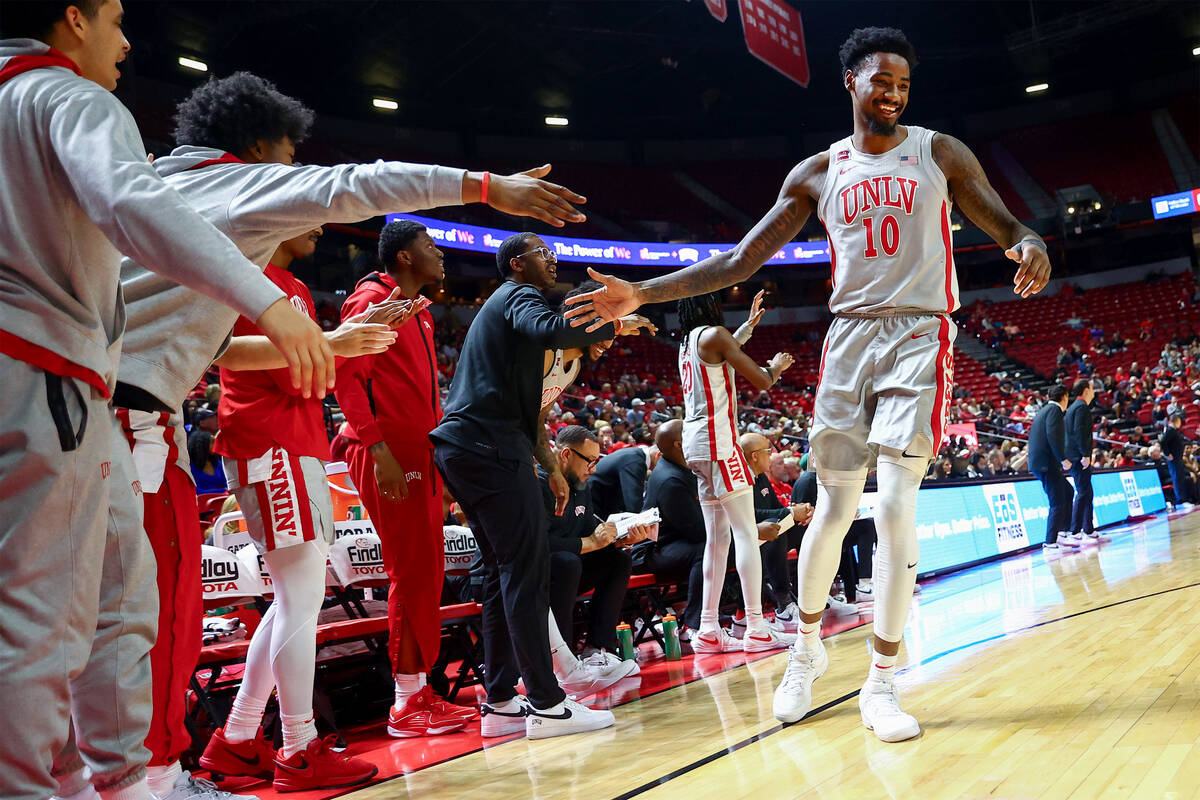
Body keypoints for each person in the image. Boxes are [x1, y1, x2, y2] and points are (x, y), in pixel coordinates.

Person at [565, 26, 1051, 742]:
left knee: (894, 507)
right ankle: (806, 648)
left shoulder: (938, 151)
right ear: (850, 82)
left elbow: (1002, 218)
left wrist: (1030, 241)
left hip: (920, 333)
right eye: (880, 80)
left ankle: (882, 683)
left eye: (904, 84)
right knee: (831, 508)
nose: (892, 93)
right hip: (848, 338)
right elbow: (738, 260)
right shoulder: (817, 173)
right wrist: (642, 295)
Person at [116, 70, 593, 795]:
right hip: (210, 433)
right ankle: (214, 761)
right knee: (186, 615)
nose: (294, 189)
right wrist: (489, 188)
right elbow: (354, 187)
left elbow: (213, 350)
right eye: (286, 156)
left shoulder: (159, 201)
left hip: (157, 422)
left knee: (215, 608)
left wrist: (330, 344)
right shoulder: (239, 205)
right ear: (257, 149)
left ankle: (235, 738)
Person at [0, 5, 333, 799]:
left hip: (82, 396)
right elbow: (134, 209)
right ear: (71, 18)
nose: (125, 41)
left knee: (108, 611)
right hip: (73, 390)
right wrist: (270, 302)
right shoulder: (66, 99)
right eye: (114, 18)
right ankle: (120, 777)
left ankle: (114, 778)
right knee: (67, 620)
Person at [429, 233, 620, 740]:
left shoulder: (508, 311)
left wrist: (552, 469)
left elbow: (533, 415)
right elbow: (549, 330)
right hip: (488, 447)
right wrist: (599, 309)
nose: (552, 258)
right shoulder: (519, 295)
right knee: (525, 573)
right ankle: (548, 702)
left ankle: (499, 701)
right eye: (542, 252)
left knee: (500, 573)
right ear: (517, 263)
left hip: (464, 447)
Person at [333, 218, 479, 740]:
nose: (440, 254)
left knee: (425, 570)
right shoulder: (371, 300)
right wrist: (376, 448)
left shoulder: (417, 312)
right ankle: (404, 701)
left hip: (418, 449)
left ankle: (419, 690)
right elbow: (346, 379)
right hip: (388, 451)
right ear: (403, 258)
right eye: (430, 246)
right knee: (409, 569)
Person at [675, 292, 796, 655]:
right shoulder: (714, 334)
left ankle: (708, 629)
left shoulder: (688, 341)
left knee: (718, 540)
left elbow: (721, 352)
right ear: (710, 308)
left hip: (695, 446)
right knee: (745, 534)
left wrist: (747, 327)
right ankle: (757, 626)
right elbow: (762, 380)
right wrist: (775, 366)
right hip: (719, 443)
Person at [539, 426, 646, 676]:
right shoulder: (539, 483)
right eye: (590, 461)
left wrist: (617, 539)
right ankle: (562, 661)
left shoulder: (581, 485)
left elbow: (590, 530)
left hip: (567, 573)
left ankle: (599, 649)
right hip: (536, 574)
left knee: (617, 560)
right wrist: (590, 544)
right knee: (567, 562)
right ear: (565, 455)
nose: (594, 469)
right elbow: (540, 542)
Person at [634, 420, 707, 632]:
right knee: (707, 548)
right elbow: (697, 531)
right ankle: (694, 626)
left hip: (671, 542)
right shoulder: (671, 479)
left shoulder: (680, 467)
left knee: (724, 543)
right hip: (651, 551)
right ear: (678, 444)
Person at [738, 432, 814, 630]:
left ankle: (816, 595)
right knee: (776, 529)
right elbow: (750, 514)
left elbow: (773, 506)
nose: (771, 454)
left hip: (764, 537)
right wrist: (789, 512)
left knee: (806, 528)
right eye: (767, 450)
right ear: (755, 456)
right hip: (746, 538)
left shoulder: (760, 476)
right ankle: (784, 605)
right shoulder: (740, 479)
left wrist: (800, 513)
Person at [1030, 386, 1077, 552]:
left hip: (1041, 462)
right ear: (1064, 397)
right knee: (1057, 502)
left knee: (1067, 491)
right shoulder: (1054, 411)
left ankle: (1062, 534)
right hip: (1046, 463)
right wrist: (1062, 458)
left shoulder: (1044, 410)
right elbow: (1052, 435)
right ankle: (1050, 543)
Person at [1065, 380, 1104, 541]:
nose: (1094, 391)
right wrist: (1085, 454)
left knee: (1087, 492)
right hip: (1078, 456)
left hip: (1074, 455)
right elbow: (1079, 432)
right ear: (1086, 390)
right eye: (1092, 388)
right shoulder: (1081, 408)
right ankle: (1075, 531)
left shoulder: (1073, 407)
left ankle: (1088, 529)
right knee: (1083, 492)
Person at [589, 444, 658, 520]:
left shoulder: (635, 454)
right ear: (658, 455)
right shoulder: (635, 462)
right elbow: (634, 505)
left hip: (604, 498)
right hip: (595, 501)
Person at [1161, 412, 1192, 509]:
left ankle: (1183, 500)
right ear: (1177, 421)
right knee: (1177, 479)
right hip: (1174, 460)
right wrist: (1167, 454)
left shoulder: (1173, 431)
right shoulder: (1171, 430)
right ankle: (1180, 501)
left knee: (1180, 478)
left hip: (1177, 458)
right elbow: (1163, 441)